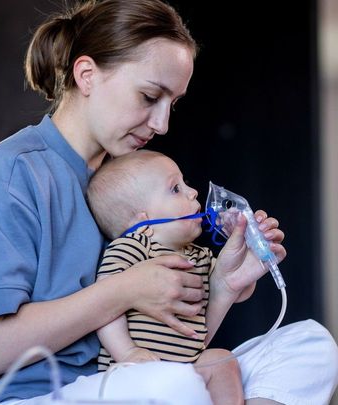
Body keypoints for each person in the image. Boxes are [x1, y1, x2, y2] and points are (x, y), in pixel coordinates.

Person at [0, 0, 338, 404]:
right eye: (149, 97)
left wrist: (223, 288)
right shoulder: (11, 176)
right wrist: (125, 289)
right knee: (172, 387)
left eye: (172, 105)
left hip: (114, 382)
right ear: (86, 75)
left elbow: (160, 350)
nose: (161, 124)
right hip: (19, 396)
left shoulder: (127, 187)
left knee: (311, 345)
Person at [88, 149, 249, 404]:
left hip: (186, 366)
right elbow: (104, 309)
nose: (193, 192)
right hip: (137, 372)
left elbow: (239, 290)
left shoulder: (199, 255)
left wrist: (247, 255)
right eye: (175, 188)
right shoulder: (133, 248)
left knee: (223, 361)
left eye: (184, 183)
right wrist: (127, 352)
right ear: (144, 223)